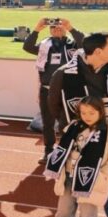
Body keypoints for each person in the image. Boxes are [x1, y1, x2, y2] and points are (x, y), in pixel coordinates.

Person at [45, 31, 108, 217]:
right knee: (68, 191)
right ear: (99, 52)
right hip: (73, 139)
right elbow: (54, 105)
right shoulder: (64, 74)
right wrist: (66, 132)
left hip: (104, 141)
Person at [23, 17, 85, 162]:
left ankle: (66, 150)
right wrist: (37, 29)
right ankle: (49, 151)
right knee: (48, 122)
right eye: (53, 27)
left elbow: (85, 44)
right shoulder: (45, 45)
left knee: (67, 122)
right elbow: (27, 47)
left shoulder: (72, 44)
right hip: (47, 89)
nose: (56, 28)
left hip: (67, 90)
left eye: (59, 26)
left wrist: (70, 27)